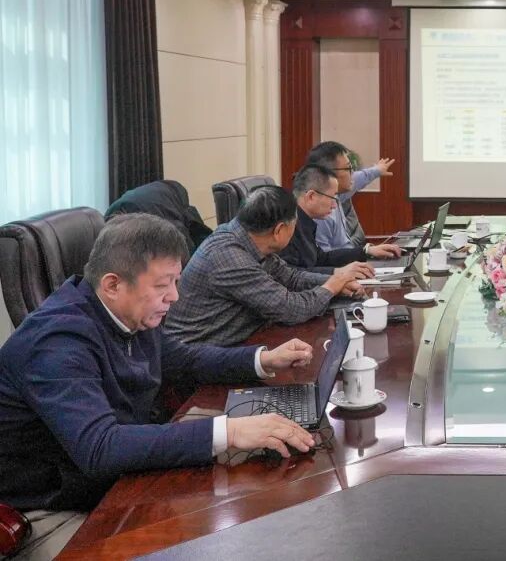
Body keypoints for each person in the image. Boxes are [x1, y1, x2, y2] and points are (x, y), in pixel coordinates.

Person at [0, 215, 318, 552]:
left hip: (112, 480)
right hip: (49, 509)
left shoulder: (128, 313)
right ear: (112, 285)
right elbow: (101, 447)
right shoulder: (56, 343)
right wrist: (232, 431)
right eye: (163, 285)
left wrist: (263, 359)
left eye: (176, 281)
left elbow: (184, 359)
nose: (174, 296)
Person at [165, 186, 368, 347]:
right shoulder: (230, 258)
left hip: (238, 340)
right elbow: (291, 309)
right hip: (198, 358)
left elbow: (291, 277)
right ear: (279, 230)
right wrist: (331, 287)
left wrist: (337, 283)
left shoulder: (249, 237)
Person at [305, 141, 401, 259]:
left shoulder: (336, 193)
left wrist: (378, 170)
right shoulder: (319, 214)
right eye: (348, 168)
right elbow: (324, 261)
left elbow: (361, 177)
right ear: (329, 174)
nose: (352, 173)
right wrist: (365, 253)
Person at [278, 164, 376, 273]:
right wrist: (337, 272)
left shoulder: (305, 221)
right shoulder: (286, 224)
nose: (334, 206)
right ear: (311, 196)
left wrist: (365, 252)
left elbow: (321, 258)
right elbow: (289, 273)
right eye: (332, 197)